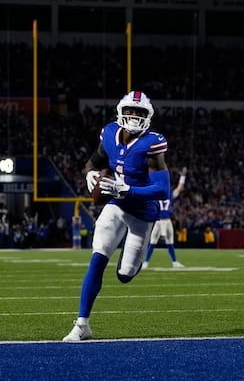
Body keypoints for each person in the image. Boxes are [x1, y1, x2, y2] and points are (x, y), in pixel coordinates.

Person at [63, 91, 171, 341]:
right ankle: (82, 325)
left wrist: (128, 189)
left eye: (140, 113)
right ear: (121, 112)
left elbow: (163, 190)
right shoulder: (110, 133)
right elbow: (91, 163)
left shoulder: (152, 144)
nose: (134, 116)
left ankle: (129, 263)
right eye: (131, 111)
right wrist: (89, 176)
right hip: (115, 206)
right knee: (98, 257)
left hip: (143, 214)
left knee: (124, 275)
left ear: (149, 117)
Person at [142, 167, 187, 269]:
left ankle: (174, 262)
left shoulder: (157, 193)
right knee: (154, 241)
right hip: (160, 220)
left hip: (164, 220)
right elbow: (179, 188)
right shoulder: (168, 194)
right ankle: (146, 262)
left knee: (168, 241)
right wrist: (183, 177)